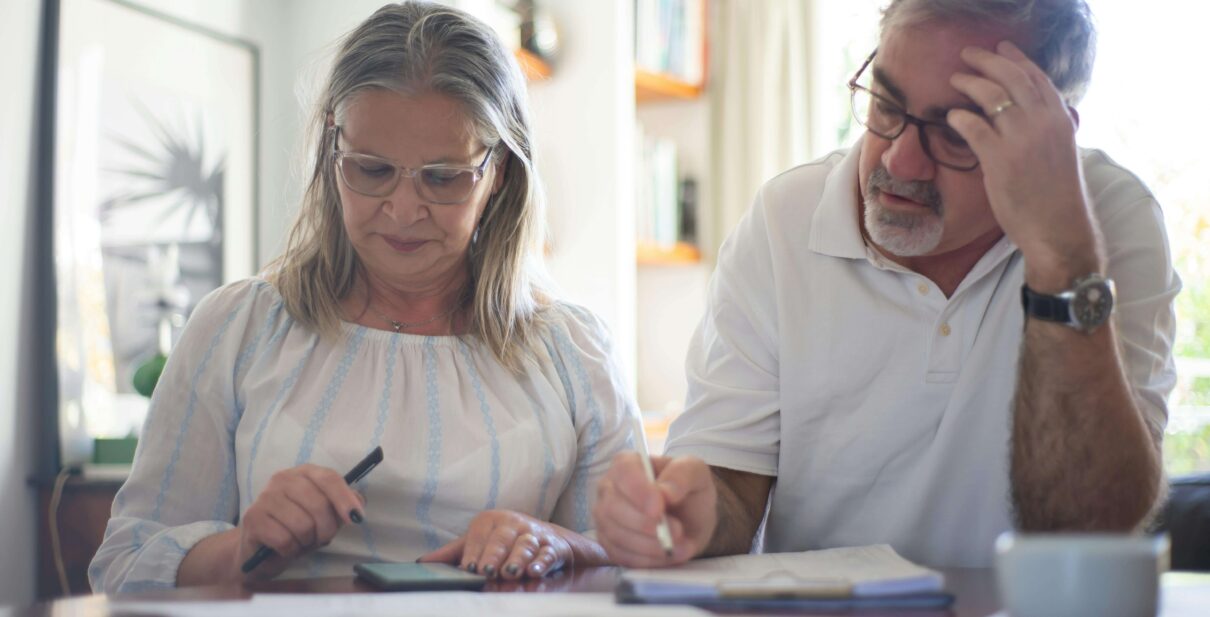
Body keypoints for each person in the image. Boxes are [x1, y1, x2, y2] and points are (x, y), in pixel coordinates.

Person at [594, 0, 1179, 569]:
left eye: (956, 132)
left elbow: (1089, 524)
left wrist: (1062, 256)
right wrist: (687, 515)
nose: (899, 162)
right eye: (885, 105)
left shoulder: (1107, 218)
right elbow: (729, 488)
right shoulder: (785, 219)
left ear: (1049, 137)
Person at [90, 2, 637, 591]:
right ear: (332, 149)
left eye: (443, 177)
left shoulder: (574, 353)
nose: (403, 211)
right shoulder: (237, 329)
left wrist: (562, 546)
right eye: (372, 170)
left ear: (498, 170)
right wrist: (245, 547)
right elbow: (123, 567)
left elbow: (637, 569)